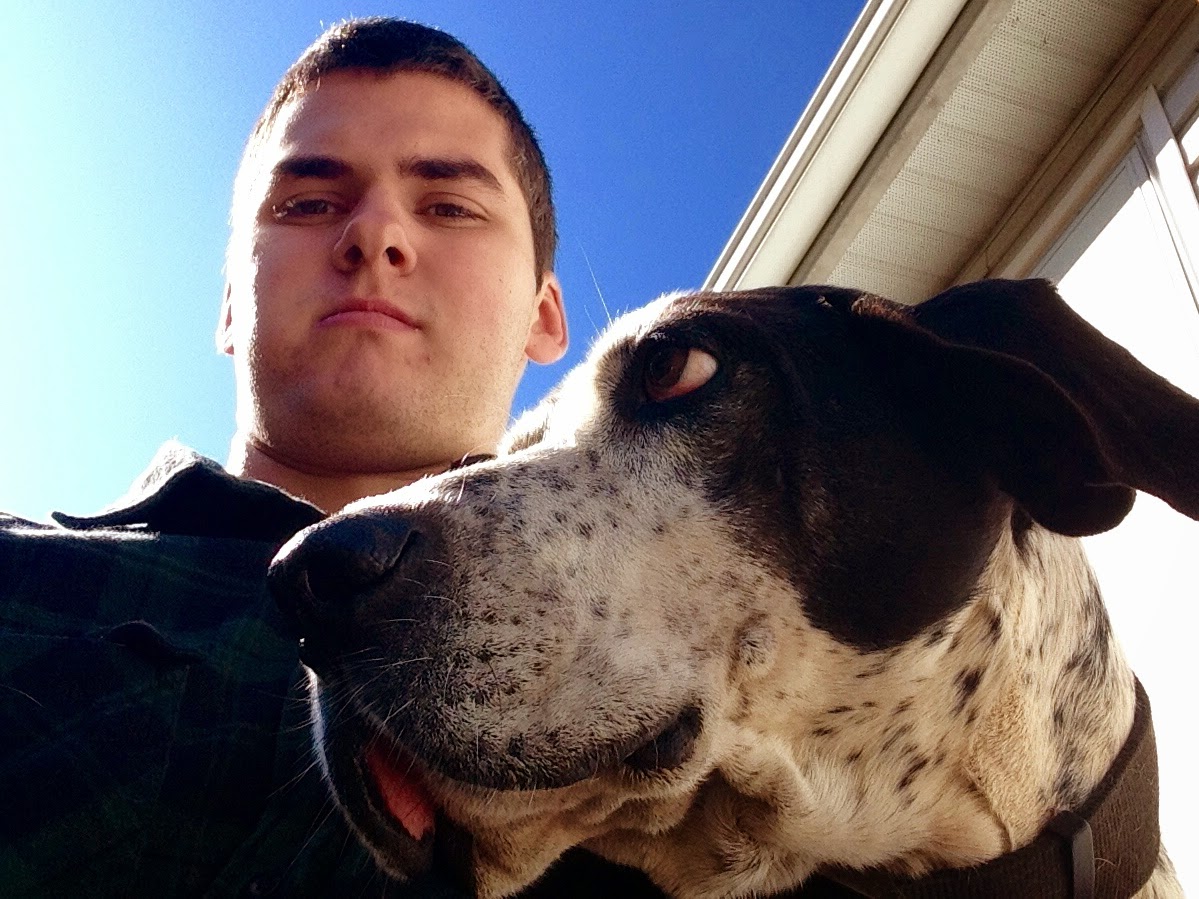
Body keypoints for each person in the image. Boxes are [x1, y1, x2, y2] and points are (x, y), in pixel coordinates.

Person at [0, 17, 669, 898]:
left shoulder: (680, 707)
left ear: (543, 314)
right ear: (231, 302)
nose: (375, 233)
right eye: (309, 203)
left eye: (448, 206)